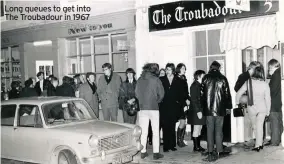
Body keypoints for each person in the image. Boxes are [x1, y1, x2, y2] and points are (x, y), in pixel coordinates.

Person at [236, 61, 271, 152]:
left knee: (255, 126)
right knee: (260, 126)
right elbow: (268, 99)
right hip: (262, 108)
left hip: (252, 108)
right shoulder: (265, 84)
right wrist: (268, 110)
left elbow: (238, 93)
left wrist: (237, 102)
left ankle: (258, 144)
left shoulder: (248, 82)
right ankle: (259, 144)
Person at [201, 61, 232, 162]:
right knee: (219, 130)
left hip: (209, 110)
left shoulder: (205, 78)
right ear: (219, 68)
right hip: (220, 109)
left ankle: (210, 151)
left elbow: (202, 94)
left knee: (210, 130)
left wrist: (202, 107)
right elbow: (227, 94)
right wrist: (228, 107)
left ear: (210, 67)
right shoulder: (223, 78)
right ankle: (219, 150)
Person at [135, 63, 164, 160]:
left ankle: (143, 152)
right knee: (155, 131)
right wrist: (157, 101)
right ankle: (156, 153)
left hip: (143, 108)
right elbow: (162, 94)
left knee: (143, 132)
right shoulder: (156, 80)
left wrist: (142, 102)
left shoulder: (139, 80)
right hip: (154, 108)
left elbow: (136, 93)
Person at [159, 63, 184, 152]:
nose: (167, 71)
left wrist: (179, 103)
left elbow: (181, 93)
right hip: (164, 106)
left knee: (172, 126)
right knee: (166, 126)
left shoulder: (178, 80)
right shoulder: (161, 79)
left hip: (174, 106)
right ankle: (166, 146)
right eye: (166, 69)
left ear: (173, 70)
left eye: (169, 69)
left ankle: (172, 145)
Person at [234, 64, 256, 145]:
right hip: (247, 99)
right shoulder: (247, 77)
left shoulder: (242, 75)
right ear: (252, 69)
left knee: (248, 119)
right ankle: (248, 138)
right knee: (249, 119)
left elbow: (235, 88)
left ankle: (248, 137)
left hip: (244, 99)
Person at [265, 59, 282, 146]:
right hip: (278, 103)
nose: (268, 69)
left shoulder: (275, 75)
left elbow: (272, 91)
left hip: (273, 103)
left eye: (269, 67)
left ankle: (274, 141)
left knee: (274, 123)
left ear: (272, 66)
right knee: (279, 123)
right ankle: (278, 139)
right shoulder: (279, 74)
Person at [188, 70, 206, 152]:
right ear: (199, 76)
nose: (204, 77)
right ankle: (196, 147)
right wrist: (198, 111)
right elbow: (194, 100)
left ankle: (198, 146)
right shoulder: (195, 86)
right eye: (203, 76)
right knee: (197, 128)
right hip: (197, 110)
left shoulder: (199, 85)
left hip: (200, 110)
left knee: (199, 128)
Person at [176, 63, 190, 147]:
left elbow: (186, 92)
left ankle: (181, 140)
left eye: (185, 68)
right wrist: (185, 101)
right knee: (182, 122)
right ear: (179, 69)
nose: (184, 70)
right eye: (183, 68)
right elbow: (179, 93)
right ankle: (179, 141)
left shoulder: (184, 78)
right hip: (180, 104)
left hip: (184, 103)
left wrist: (188, 99)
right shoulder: (177, 79)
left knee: (184, 122)